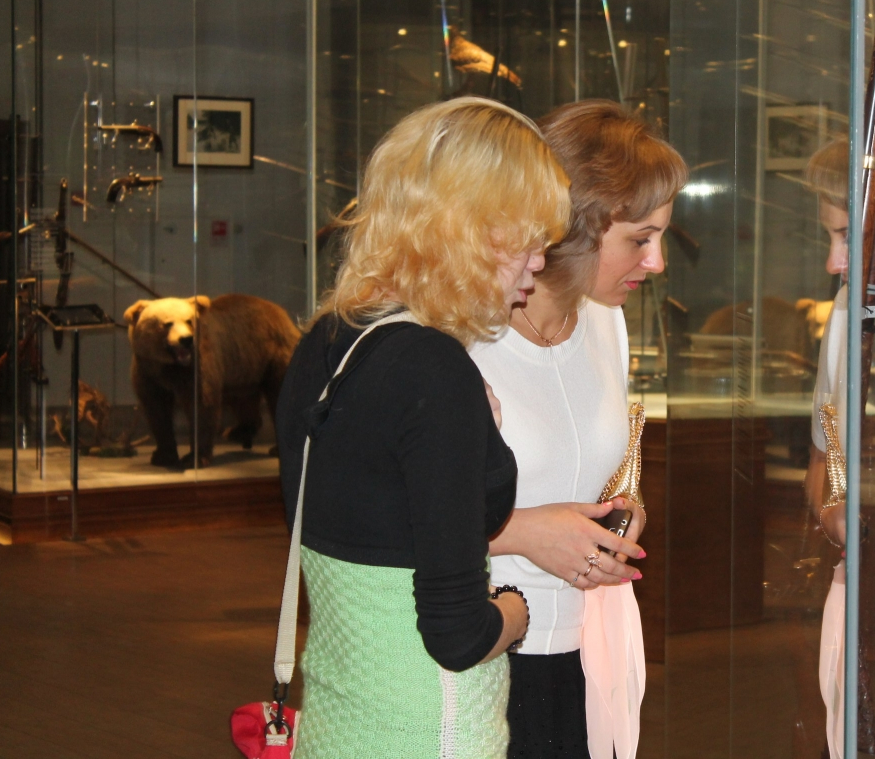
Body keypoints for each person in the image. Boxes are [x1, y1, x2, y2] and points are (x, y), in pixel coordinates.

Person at [275, 97, 570, 758]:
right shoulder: (436, 372)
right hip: (431, 731)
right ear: (467, 230)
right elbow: (458, 635)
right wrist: (517, 607)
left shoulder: (325, 342)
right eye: (528, 239)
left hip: (334, 726)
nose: (538, 262)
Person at [470, 99, 685, 759]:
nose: (657, 261)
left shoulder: (604, 320)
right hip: (480, 646)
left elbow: (594, 465)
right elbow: (378, 511)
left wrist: (618, 515)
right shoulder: (462, 331)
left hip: (584, 647)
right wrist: (522, 531)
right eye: (640, 239)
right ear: (578, 226)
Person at [800, 139, 851, 759]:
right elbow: (821, 462)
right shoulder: (844, 311)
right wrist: (835, 513)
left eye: (847, 237)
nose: (834, 262)